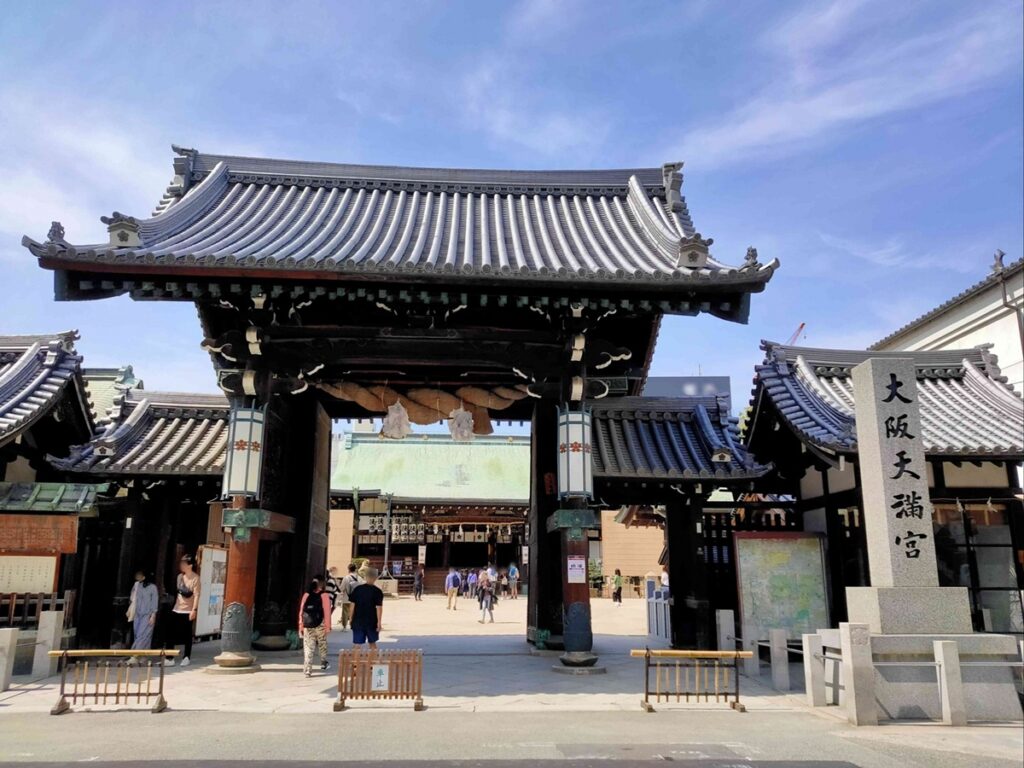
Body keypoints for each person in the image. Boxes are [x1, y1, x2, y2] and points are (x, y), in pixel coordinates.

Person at [298, 577, 332, 677]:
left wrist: (301, 625)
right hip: (320, 624)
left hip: (308, 624)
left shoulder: (306, 595)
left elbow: (301, 611)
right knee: (322, 643)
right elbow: (327, 612)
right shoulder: (324, 595)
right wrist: (328, 627)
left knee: (309, 646)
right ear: (322, 584)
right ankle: (323, 662)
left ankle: (308, 669)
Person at [170, 554, 200, 666]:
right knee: (171, 633)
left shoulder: (196, 578)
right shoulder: (179, 577)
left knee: (187, 635)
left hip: (188, 610)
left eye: (184, 563)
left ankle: (186, 657)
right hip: (177, 608)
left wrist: (194, 610)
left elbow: (196, 595)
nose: (181, 565)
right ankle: (169, 657)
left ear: (190, 565)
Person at [350, 568, 384, 649]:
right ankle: (373, 658)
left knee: (357, 644)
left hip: (358, 620)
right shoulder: (377, 591)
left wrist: (351, 618)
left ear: (365, 577)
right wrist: (379, 622)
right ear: (375, 578)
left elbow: (352, 605)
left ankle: (355, 657)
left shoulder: (357, 589)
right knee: (372, 643)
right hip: (371, 621)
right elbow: (379, 608)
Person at [128, 570, 159, 650]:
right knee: (137, 634)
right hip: (137, 613)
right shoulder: (137, 585)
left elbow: (154, 601)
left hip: (147, 615)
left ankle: (135, 653)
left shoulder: (153, 587)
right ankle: (142, 654)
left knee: (142, 635)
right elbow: (132, 598)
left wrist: (153, 615)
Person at [338, 563, 362, 630]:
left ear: (348, 569)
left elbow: (341, 588)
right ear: (355, 569)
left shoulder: (346, 578)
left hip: (347, 598)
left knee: (345, 612)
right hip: (356, 599)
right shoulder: (359, 578)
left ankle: (344, 626)